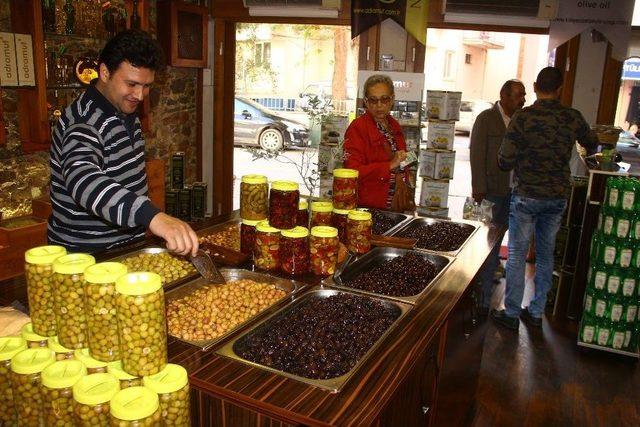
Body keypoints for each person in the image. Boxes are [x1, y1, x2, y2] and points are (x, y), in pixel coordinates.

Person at [48, 30, 199, 256]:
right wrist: (152, 216)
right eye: (132, 84)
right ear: (105, 72)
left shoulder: (124, 110)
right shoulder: (84, 121)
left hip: (127, 248)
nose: (139, 95)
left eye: (147, 86)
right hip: (86, 256)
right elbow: (84, 181)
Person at [492, 67, 598, 330]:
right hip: (557, 196)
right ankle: (537, 312)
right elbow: (592, 143)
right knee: (546, 254)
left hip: (527, 195)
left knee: (516, 254)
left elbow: (504, 161)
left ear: (536, 85)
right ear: (560, 88)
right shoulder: (572, 117)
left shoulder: (523, 117)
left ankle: (512, 313)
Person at [470, 79, 526, 314]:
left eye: (524, 95)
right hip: (490, 191)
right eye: (517, 95)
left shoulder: (523, 120)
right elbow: (476, 153)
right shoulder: (486, 119)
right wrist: (478, 187)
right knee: (485, 242)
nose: (522, 99)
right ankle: (481, 299)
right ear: (503, 96)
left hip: (516, 192)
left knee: (507, 242)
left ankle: (492, 290)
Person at [343, 74, 410, 211]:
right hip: (369, 207)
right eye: (373, 100)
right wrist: (389, 165)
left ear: (392, 99)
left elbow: (401, 160)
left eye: (384, 99)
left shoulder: (394, 125)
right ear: (366, 102)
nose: (379, 105)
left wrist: (405, 161)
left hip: (396, 204)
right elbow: (352, 171)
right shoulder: (358, 128)